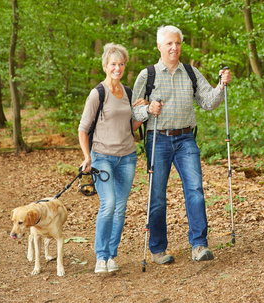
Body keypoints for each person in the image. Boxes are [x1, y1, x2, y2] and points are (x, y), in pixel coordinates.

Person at [132, 25, 232, 264]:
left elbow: (208, 102)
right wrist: (148, 109)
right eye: (169, 43)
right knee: (156, 195)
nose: (174, 47)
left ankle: (199, 245)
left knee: (195, 190)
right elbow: (134, 113)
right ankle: (157, 249)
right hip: (158, 139)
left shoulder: (191, 72)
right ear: (159, 46)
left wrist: (220, 86)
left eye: (177, 43)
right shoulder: (147, 75)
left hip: (186, 138)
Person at [78, 43, 148, 273]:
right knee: (108, 205)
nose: (117, 68)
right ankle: (100, 257)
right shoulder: (97, 93)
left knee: (120, 208)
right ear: (105, 66)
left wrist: (143, 111)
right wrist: (87, 157)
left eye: (121, 64)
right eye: (113, 64)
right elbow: (83, 128)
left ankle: (111, 256)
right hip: (102, 158)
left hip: (127, 157)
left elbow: (132, 126)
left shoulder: (128, 93)